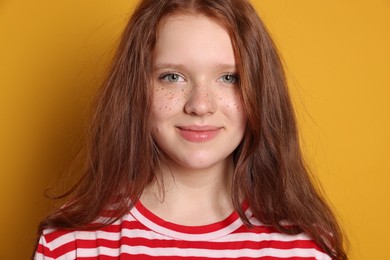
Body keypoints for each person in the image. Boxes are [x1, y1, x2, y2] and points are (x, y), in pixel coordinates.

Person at [34, 0, 347, 259]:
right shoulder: (72, 243)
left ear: (260, 92)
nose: (200, 105)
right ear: (137, 89)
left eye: (229, 78)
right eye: (172, 77)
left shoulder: (305, 247)